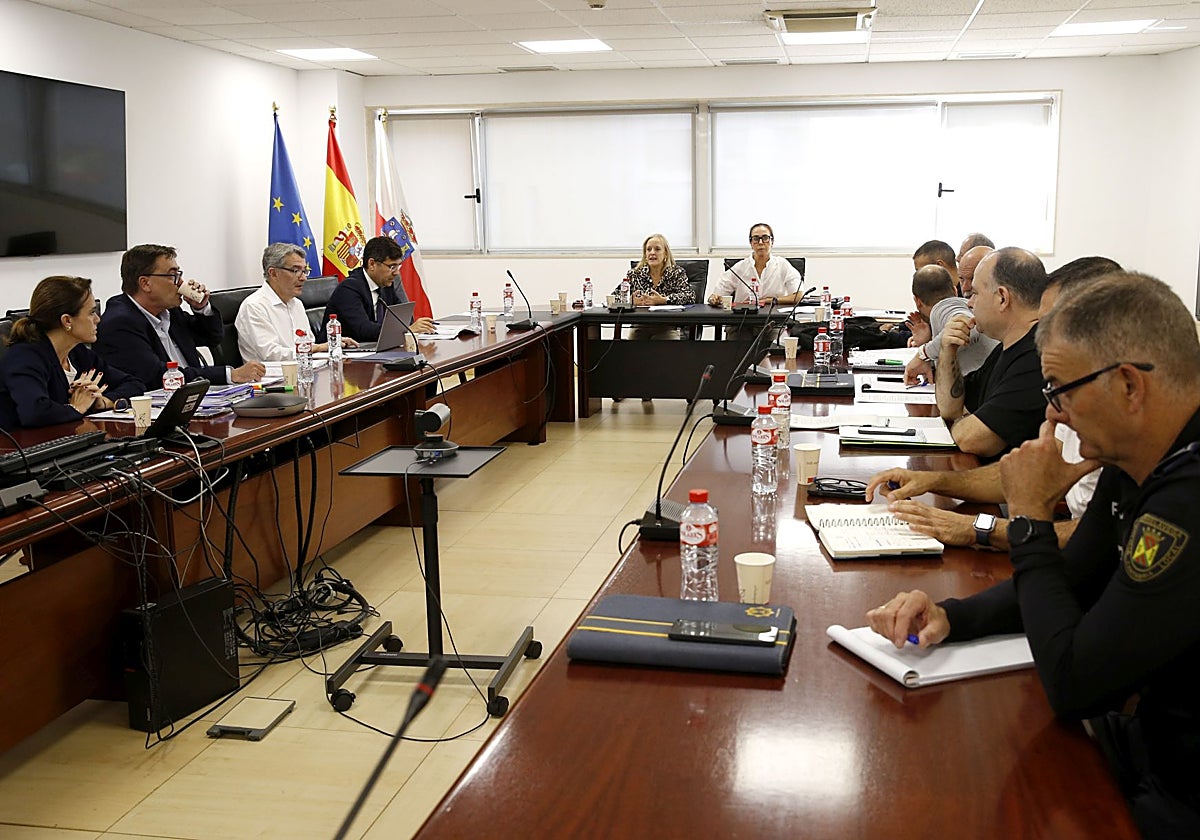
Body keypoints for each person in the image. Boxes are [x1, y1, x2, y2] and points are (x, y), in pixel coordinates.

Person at [865, 272, 1200, 839]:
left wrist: (1027, 517)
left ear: (1128, 387)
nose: (1053, 416)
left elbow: (1076, 685)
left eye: (1060, 391)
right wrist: (956, 614)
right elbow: (1073, 575)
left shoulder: (1187, 497)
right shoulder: (1138, 456)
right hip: (1151, 740)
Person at [867, 256, 1122, 548]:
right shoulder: (1068, 385)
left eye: (1050, 324)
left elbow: (1101, 533)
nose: (1041, 335)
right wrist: (933, 481)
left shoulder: (1047, 369)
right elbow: (1023, 474)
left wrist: (980, 528)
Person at [95, 244, 265, 390]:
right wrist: (230, 374)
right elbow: (158, 376)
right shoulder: (120, 323)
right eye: (172, 275)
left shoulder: (170, 311)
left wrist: (201, 308)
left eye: (179, 274)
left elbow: (212, 338)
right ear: (145, 283)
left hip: (197, 399)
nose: (181, 283)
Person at [935, 247, 1047, 458]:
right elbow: (950, 409)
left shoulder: (1037, 356)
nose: (969, 303)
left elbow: (972, 440)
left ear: (1002, 298)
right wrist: (947, 350)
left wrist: (963, 422)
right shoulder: (1006, 348)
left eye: (975, 293)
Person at [0, 276, 143, 429]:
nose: (97, 319)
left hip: (68, 441)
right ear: (67, 320)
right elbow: (34, 412)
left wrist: (102, 401)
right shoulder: (25, 356)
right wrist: (76, 408)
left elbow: (134, 384)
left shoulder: (78, 353)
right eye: (91, 313)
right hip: (23, 448)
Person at [236, 243, 358, 363]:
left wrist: (333, 344)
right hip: (273, 379)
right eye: (295, 270)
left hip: (306, 371)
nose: (303, 278)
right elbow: (271, 354)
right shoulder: (254, 306)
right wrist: (319, 348)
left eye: (304, 271)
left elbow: (309, 343)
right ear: (273, 273)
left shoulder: (297, 304)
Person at [324, 235, 434, 342]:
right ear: (372, 264)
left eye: (398, 266)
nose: (396, 273)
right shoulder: (348, 289)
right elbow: (363, 330)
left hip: (373, 350)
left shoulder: (385, 284)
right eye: (392, 267)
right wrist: (406, 330)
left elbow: (403, 318)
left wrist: (412, 327)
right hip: (340, 354)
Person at [902, 264, 997, 385]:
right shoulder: (960, 305)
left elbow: (967, 326)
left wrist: (923, 353)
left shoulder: (944, 306)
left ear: (917, 301)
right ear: (954, 290)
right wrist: (926, 344)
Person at [614, 233, 695, 342]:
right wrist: (630, 301)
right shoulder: (635, 274)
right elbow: (614, 297)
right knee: (631, 355)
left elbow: (690, 296)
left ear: (665, 253)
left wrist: (664, 300)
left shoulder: (676, 273)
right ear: (645, 254)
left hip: (666, 326)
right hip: (640, 325)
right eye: (649, 249)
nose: (652, 252)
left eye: (657, 249)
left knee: (668, 355)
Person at [707, 223, 803, 308]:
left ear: (772, 242)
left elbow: (799, 296)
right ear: (751, 243)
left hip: (772, 319)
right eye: (756, 239)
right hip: (743, 320)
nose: (760, 242)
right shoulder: (739, 268)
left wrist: (770, 301)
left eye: (765, 238)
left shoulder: (782, 265)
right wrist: (713, 299)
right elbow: (717, 295)